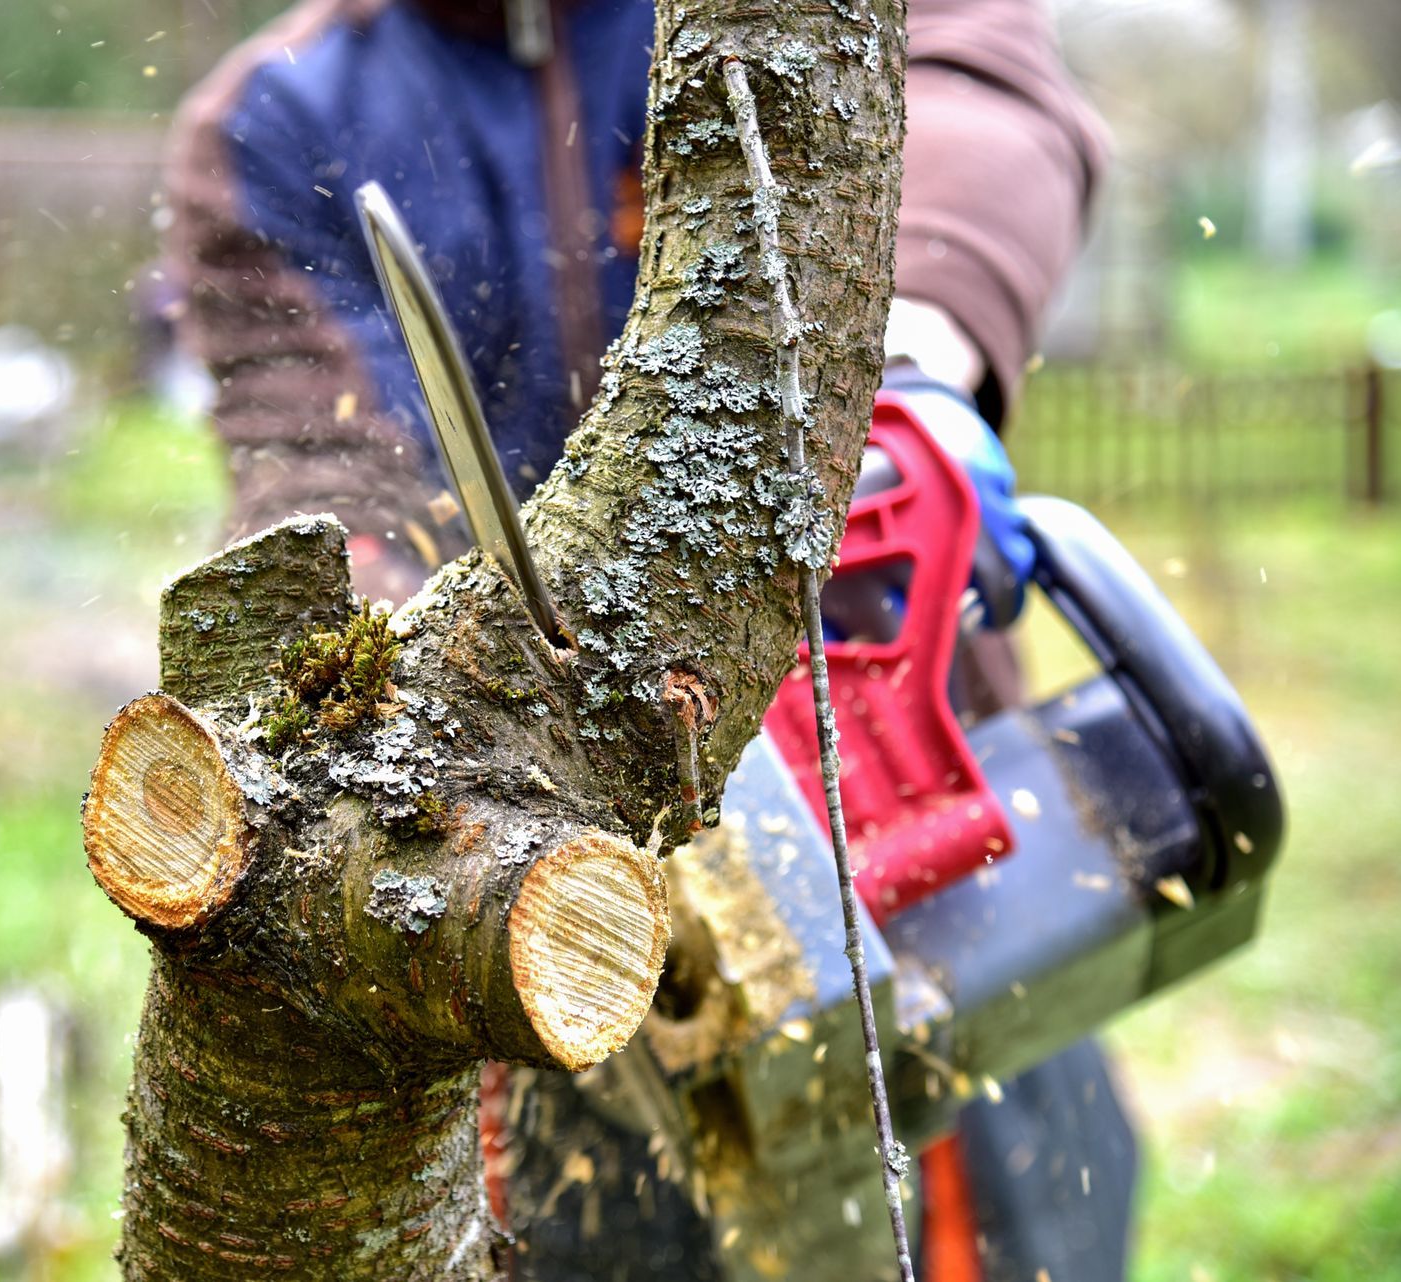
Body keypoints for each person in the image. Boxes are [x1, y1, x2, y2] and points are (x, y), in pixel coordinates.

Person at [162, 2, 1129, 1278]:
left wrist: (904, 365)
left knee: (988, 1217)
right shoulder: (276, 117)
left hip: (896, 826)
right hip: (553, 907)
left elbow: (971, 85)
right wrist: (396, 666)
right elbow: (322, 470)